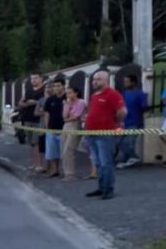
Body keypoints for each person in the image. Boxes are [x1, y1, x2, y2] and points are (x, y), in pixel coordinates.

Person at [85, 69, 126, 200]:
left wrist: (115, 123)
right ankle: (101, 187)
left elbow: (122, 111)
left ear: (106, 80)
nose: (94, 81)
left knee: (105, 162)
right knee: (97, 163)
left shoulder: (112, 94)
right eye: (94, 79)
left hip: (104, 135)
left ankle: (108, 189)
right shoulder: (94, 95)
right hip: (91, 134)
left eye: (98, 79)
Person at [117, 74, 147, 169]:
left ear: (133, 83)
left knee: (129, 143)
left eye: (127, 81)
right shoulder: (125, 93)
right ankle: (128, 158)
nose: (125, 83)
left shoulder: (140, 94)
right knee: (119, 142)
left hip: (135, 122)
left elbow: (144, 107)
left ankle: (132, 158)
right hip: (124, 122)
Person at [19, 72, 45, 171]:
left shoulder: (43, 90)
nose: (33, 80)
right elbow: (21, 102)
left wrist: (35, 102)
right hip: (28, 119)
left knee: (37, 143)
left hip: (38, 120)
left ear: (41, 79)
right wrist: (27, 104)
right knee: (31, 143)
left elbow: (45, 102)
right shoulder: (28, 90)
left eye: (35, 78)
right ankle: (34, 164)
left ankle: (39, 164)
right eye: (32, 78)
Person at [61, 85, 87, 181]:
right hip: (66, 126)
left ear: (76, 93)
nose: (68, 95)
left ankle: (70, 173)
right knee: (63, 148)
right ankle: (66, 172)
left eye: (70, 92)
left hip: (75, 125)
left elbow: (76, 116)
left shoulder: (81, 102)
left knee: (69, 149)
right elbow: (64, 116)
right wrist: (67, 105)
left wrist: (67, 119)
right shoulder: (67, 103)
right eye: (67, 93)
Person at [43, 78, 66, 178]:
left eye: (58, 86)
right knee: (52, 151)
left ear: (63, 86)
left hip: (64, 128)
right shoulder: (50, 100)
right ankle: (54, 169)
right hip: (52, 128)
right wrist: (47, 126)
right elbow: (46, 113)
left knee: (63, 150)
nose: (56, 88)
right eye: (54, 86)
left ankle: (63, 170)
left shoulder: (67, 98)